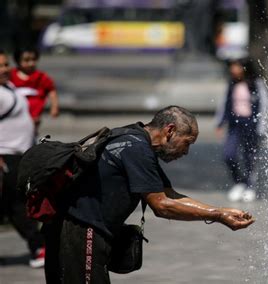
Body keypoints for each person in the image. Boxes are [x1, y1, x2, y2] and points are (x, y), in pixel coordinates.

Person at [43, 106, 255, 284]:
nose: (186, 151)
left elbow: (169, 194)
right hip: (80, 229)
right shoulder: (137, 149)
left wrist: (220, 210)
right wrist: (217, 216)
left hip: (72, 226)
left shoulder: (134, 138)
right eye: (187, 142)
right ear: (170, 130)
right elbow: (161, 205)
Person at [0, 49, 45, 268]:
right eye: (0, 66)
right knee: (17, 205)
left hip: (20, 155)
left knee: (14, 204)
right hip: (7, 158)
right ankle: (38, 247)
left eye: (6, 64)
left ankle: (38, 246)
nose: (6, 69)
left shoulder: (7, 88)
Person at [215, 59, 266, 202]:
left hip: (251, 125)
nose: (233, 69)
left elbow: (264, 105)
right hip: (234, 126)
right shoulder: (232, 84)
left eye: (236, 66)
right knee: (229, 154)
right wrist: (219, 123)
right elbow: (224, 104)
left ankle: (250, 186)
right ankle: (240, 182)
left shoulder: (256, 84)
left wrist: (262, 127)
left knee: (249, 157)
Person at [10, 46, 59, 134]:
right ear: (17, 61)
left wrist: (54, 107)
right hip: (14, 114)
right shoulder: (11, 75)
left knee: (30, 133)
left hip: (34, 115)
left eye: (33, 60)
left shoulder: (41, 77)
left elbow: (51, 90)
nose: (31, 63)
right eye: (26, 60)